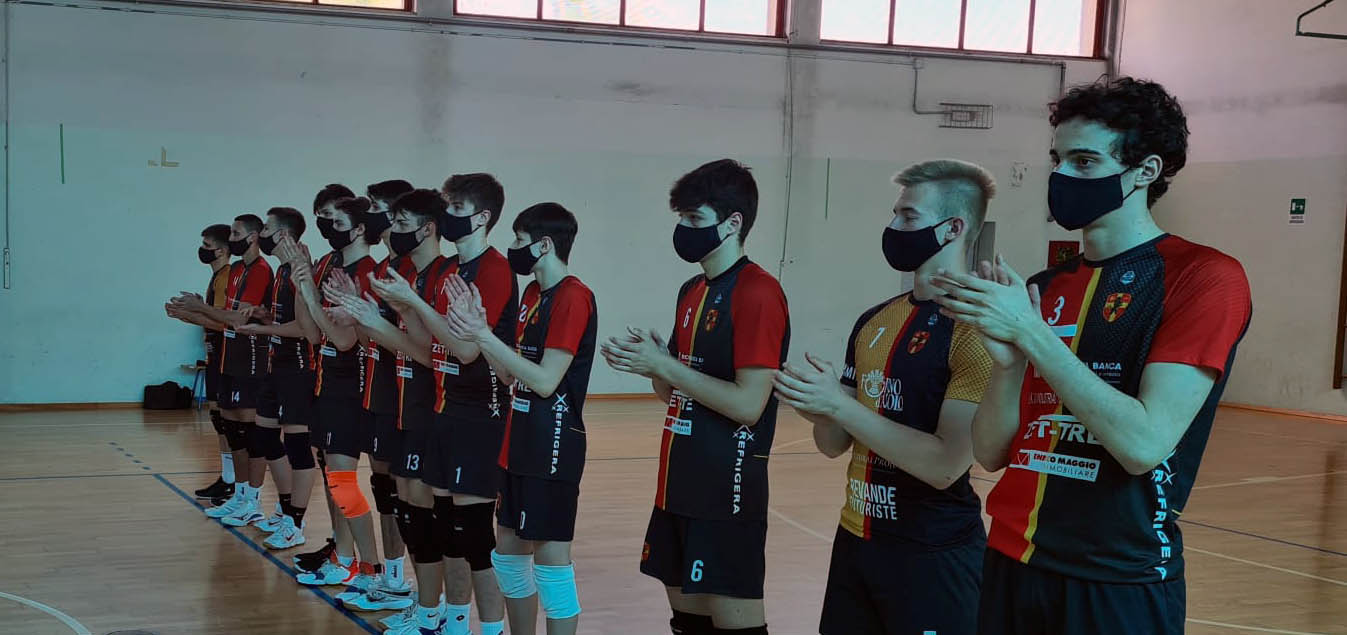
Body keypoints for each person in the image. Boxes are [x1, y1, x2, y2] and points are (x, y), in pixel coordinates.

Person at [931, 77, 1253, 635]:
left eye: (1084, 161)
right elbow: (990, 453)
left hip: (1116, 574)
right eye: (1058, 160)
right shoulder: (1044, 287)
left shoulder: (1204, 277)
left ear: (1146, 171)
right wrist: (1009, 365)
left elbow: (1142, 444)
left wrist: (1031, 335)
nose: (1062, 176)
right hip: (1011, 559)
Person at [773, 160, 997, 635]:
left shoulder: (977, 330)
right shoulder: (874, 320)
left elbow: (945, 465)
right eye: (895, 214)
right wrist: (820, 405)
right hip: (856, 539)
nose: (894, 226)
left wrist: (840, 406)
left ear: (953, 228)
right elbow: (833, 444)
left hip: (932, 553)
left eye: (909, 216)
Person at [602, 159, 789, 635]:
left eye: (694, 218)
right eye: (681, 218)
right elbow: (672, 391)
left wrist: (666, 367)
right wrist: (653, 363)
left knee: (734, 623)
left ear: (732, 223)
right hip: (677, 484)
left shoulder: (759, 292)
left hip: (726, 492)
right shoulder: (692, 290)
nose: (684, 230)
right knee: (687, 621)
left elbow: (749, 405)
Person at [325, 188, 456, 633]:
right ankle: (394, 580)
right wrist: (353, 313)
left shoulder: (431, 274)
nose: (387, 226)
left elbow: (427, 350)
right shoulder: (387, 271)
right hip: (384, 398)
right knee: (392, 496)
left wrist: (367, 319)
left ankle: (425, 599)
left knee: (423, 508)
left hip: (420, 404)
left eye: (392, 217)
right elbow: (364, 339)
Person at [278, 196, 383, 591]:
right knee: (333, 480)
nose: (327, 228)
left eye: (336, 222)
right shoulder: (334, 267)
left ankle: (371, 569)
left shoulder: (367, 272)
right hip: (326, 384)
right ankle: (343, 557)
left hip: (351, 390)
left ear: (359, 229)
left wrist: (309, 291)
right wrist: (302, 282)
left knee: (343, 481)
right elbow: (312, 332)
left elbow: (343, 340)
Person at [173, 214, 275, 524]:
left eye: (235, 233)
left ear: (253, 237)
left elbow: (238, 319)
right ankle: (239, 495)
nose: (231, 239)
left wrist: (198, 310)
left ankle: (254, 500)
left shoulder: (260, 270)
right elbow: (226, 316)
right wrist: (193, 315)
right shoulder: (238, 271)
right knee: (231, 428)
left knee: (250, 432)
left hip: (250, 357)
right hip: (229, 356)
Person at [235, 206, 320, 549]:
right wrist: (262, 314)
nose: (263, 235)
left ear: (283, 234)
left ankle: (296, 523)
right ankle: (285, 511)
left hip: (299, 369)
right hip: (277, 365)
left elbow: (304, 327)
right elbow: (282, 318)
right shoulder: (282, 271)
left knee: (298, 447)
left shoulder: (300, 270)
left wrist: (262, 328)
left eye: (268, 228)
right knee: (266, 437)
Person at [166, 224, 237, 502]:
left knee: (228, 422)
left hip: (227, 357)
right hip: (215, 355)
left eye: (207, 246)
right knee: (219, 420)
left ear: (221, 250)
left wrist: (192, 315)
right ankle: (228, 478)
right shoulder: (217, 276)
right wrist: (191, 312)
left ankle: (236, 483)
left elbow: (227, 323)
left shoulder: (227, 276)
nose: (202, 250)